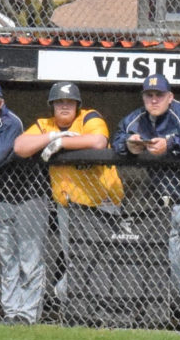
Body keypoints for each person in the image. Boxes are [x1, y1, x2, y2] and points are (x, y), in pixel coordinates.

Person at [112, 74, 180, 335]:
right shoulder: (137, 119)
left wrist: (171, 145)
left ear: (170, 97)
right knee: (172, 264)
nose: (154, 100)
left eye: (159, 95)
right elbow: (117, 138)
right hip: (163, 204)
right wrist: (128, 146)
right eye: (149, 95)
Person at [13, 81, 124, 304]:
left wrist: (63, 143)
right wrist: (51, 137)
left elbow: (98, 141)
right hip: (69, 207)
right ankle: (77, 306)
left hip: (103, 204)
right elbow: (20, 147)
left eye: (69, 102)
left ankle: (65, 297)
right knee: (76, 260)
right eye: (59, 102)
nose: (64, 106)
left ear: (77, 105)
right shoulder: (46, 125)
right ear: (52, 105)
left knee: (105, 259)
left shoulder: (89, 117)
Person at [0, 81, 50, 324]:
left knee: (29, 258)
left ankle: (28, 314)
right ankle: (11, 312)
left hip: (27, 194)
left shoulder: (11, 121)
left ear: (1, 102)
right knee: (7, 257)